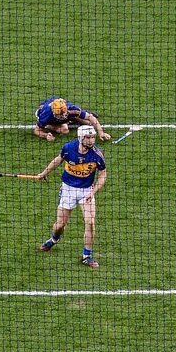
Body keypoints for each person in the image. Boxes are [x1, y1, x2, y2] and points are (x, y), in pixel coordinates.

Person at [37, 125, 106, 268]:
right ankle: (54, 239)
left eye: (92, 137)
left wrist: (93, 191)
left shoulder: (97, 154)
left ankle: (86, 255)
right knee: (60, 225)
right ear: (80, 138)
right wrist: (44, 173)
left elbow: (102, 175)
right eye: (88, 137)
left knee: (90, 222)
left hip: (86, 191)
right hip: (68, 190)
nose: (91, 140)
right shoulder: (68, 148)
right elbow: (58, 160)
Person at [32, 97, 111, 142]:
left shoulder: (70, 108)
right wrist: (46, 135)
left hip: (63, 110)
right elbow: (36, 131)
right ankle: (48, 126)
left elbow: (91, 117)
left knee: (89, 123)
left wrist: (101, 133)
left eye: (64, 113)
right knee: (64, 130)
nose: (63, 116)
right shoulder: (46, 115)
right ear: (54, 113)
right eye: (60, 115)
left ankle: (77, 117)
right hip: (50, 119)